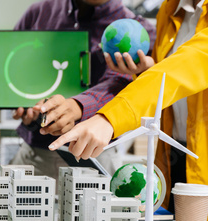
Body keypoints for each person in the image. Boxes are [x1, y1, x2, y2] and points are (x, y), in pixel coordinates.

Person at [49, 0, 208, 221]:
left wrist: (109, 118)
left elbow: (190, 65)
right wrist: (146, 71)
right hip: (178, 163)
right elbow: (171, 79)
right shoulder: (171, 9)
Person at [9, 0, 155, 180]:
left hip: (95, 161)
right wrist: (19, 102)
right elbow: (13, 63)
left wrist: (77, 107)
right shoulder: (40, 11)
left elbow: (119, 84)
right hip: (33, 156)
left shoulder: (140, 31)